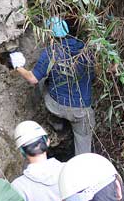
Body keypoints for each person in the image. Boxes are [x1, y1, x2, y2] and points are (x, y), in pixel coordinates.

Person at [10, 17, 95, 155]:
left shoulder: (51, 52)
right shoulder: (86, 50)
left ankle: (56, 123)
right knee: (83, 145)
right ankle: (82, 168)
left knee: (42, 79)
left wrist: (18, 66)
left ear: (49, 34)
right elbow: (93, 77)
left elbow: (33, 79)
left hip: (56, 106)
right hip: (81, 110)